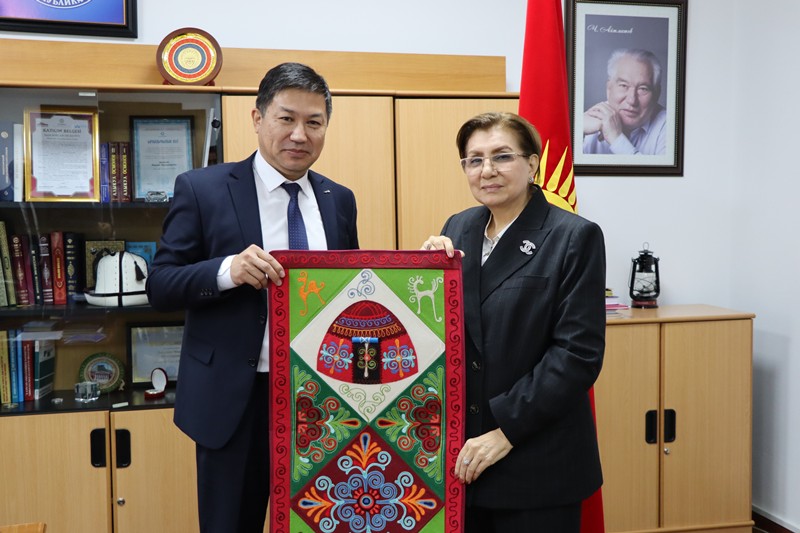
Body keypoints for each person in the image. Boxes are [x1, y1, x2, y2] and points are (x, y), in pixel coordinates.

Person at [146, 62, 359, 533]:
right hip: (234, 400)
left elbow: (350, 291)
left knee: (322, 521)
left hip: (320, 396)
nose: (300, 134)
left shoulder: (338, 199)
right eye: (286, 118)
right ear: (257, 118)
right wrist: (227, 271)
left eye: (314, 122)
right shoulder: (202, 189)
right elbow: (160, 285)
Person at [422, 112, 605, 532]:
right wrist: (423, 274)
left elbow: (576, 354)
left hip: (536, 460)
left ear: (533, 163)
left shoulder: (573, 236)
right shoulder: (458, 228)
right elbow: (449, 332)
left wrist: (505, 431)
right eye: (474, 160)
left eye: (502, 156)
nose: (487, 170)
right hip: (464, 456)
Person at [583, 48, 667, 155]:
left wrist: (617, 139)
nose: (632, 100)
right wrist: (573, 133)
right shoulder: (590, 119)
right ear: (609, 88)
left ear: (657, 94)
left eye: (643, 89)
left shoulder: (669, 126)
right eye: (623, 85)